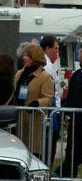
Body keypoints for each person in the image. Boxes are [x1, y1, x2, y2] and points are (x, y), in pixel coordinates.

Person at [13, 44, 54, 158]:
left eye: (27, 56)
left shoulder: (45, 77)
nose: (24, 58)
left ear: (34, 58)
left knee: (33, 152)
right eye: (24, 55)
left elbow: (48, 98)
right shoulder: (19, 74)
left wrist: (37, 103)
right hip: (20, 120)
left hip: (35, 121)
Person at [55, 45, 82, 181]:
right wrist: (66, 115)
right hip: (76, 124)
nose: (79, 56)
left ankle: (57, 175)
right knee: (72, 158)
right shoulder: (77, 75)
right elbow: (71, 98)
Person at [40, 35, 62, 170]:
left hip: (52, 111)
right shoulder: (47, 66)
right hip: (49, 113)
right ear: (47, 48)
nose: (57, 51)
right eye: (55, 48)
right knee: (49, 148)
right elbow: (52, 92)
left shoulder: (49, 65)